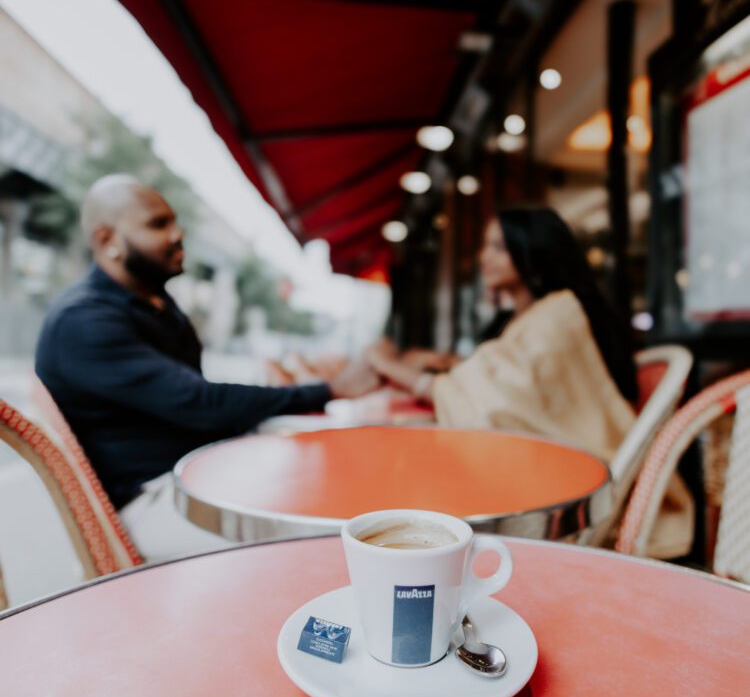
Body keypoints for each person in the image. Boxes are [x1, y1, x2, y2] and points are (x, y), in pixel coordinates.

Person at [35, 174, 379, 559]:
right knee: (321, 539)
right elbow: (200, 403)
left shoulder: (156, 304)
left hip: (196, 475)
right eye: (157, 224)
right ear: (106, 240)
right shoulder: (83, 321)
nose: (177, 234)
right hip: (151, 503)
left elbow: (200, 404)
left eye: (174, 221)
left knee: (331, 485)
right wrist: (329, 390)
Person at [366, 207, 691, 559]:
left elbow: (490, 400)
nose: (483, 257)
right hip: (538, 465)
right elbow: (494, 383)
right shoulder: (529, 319)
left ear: (532, 252)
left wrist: (386, 363)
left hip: (573, 480)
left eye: (498, 248)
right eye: (485, 246)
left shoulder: (557, 317)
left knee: (416, 469)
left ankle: (414, 566)